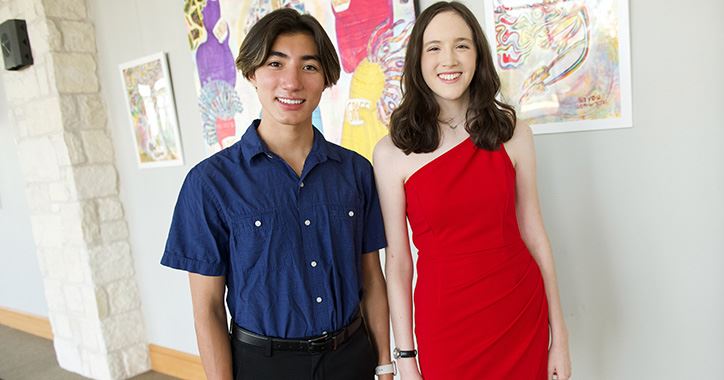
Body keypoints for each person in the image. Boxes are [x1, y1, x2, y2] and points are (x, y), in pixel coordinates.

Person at [161, 8, 396, 379]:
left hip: (352, 358)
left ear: (326, 79)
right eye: (275, 63)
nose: (291, 82)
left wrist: (384, 364)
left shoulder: (355, 172)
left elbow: (372, 277)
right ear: (253, 73)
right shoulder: (209, 183)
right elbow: (207, 307)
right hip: (263, 365)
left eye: (309, 66)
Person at [372, 2, 572, 379]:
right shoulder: (391, 152)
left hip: (519, 312)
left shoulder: (514, 133)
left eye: (462, 45)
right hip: (445, 324)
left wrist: (559, 335)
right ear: (417, 59)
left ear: (478, 54)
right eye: (434, 47)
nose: (449, 59)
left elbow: (534, 233)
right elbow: (398, 262)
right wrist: (406, 358)